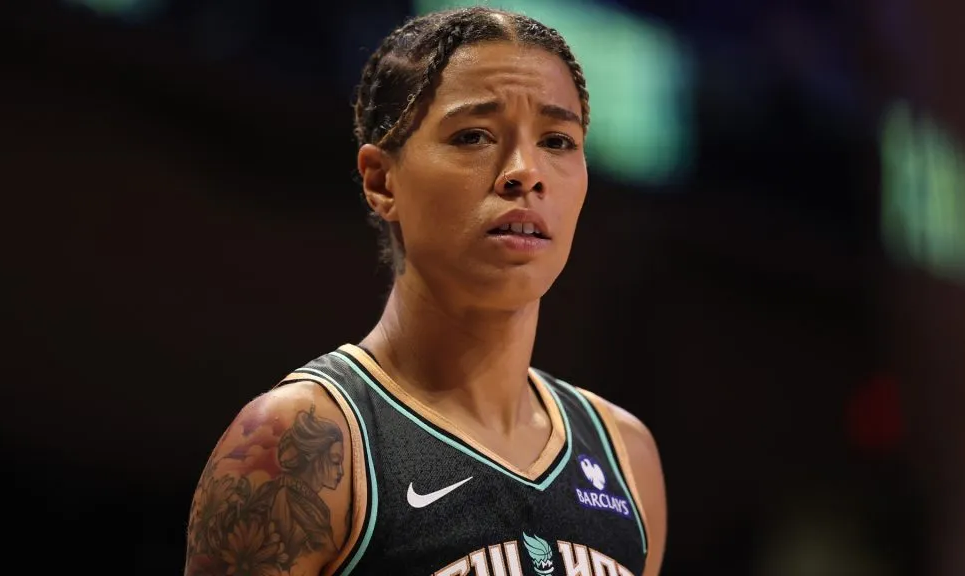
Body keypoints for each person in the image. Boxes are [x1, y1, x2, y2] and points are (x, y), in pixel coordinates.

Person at [184, 6, 666, 576]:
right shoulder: (301, 441)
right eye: (473, 135)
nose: (524, 172)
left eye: (557, 140)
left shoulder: (625, 456)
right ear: (381, 181)